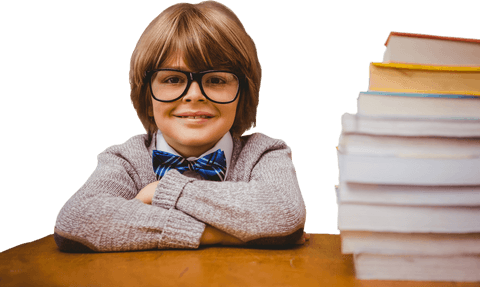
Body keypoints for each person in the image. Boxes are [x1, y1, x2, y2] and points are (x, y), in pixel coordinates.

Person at [54, 0, 307, 252]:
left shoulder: (265, 153)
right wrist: (214, 234)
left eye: (216, 79)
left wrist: (161, 191)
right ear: (146, 94)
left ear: (244, 93)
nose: (194, 95)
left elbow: (284, 213)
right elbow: (76, 220)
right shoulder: (126, 159)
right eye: (173, 79)